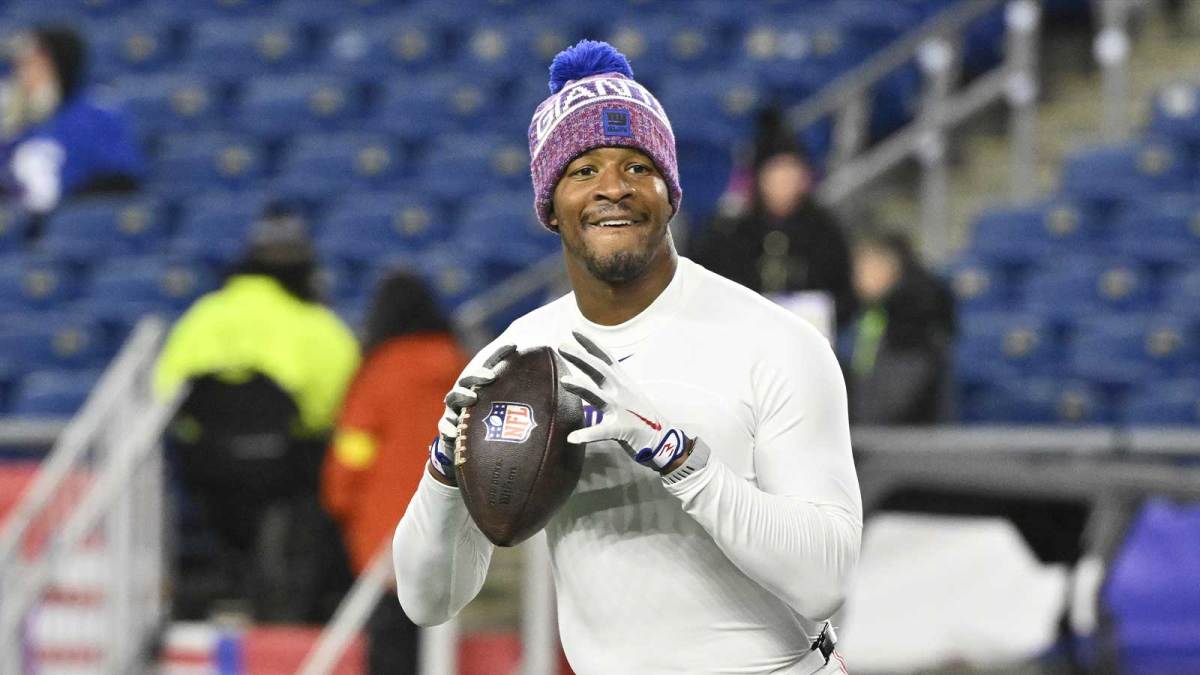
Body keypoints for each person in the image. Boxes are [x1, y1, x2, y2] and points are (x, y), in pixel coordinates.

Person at [393, 40, 860, 674]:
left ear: (671, 193)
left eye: (638, 167)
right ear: (549, 206)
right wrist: (445, 472)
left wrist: (677, 455)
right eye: (583, 171)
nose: (613, 188)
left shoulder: (776, 342)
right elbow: (428, 600)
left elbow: (825, 580)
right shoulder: (518, 358)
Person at [155, 202, 359, 621]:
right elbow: (339, 406)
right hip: (283, 475)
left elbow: (164, 391)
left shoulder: (203, 316)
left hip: (207, 473)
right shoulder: (317, 325)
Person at [321, 269, 467, 675]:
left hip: (386, 532)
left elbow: (352, 452)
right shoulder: (461, 364)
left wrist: (338, 501)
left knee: (391, 643)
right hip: (453, 525)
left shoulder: (381, 371)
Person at [690, 108, 858, 332]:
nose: (785, 181)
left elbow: (843, 294)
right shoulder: (729, 231)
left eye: (792, 172)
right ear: (760, 177)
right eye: (777, 172)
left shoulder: (824, 231)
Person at [0, 25, 143, 226]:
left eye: (34, 65)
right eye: (20, 66)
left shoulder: (95, 113)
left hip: (80, 230)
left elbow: (120, 181)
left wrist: (68, 215)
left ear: (60, 63)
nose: (24, 75)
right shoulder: (21, 124)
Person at [841, 231, 956, 424]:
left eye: (863, 270)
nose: (856, 279)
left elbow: (894, 399)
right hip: (870, 437)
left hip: (905, 444)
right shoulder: (870, 315)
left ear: (886, 271)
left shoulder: (912, 326)